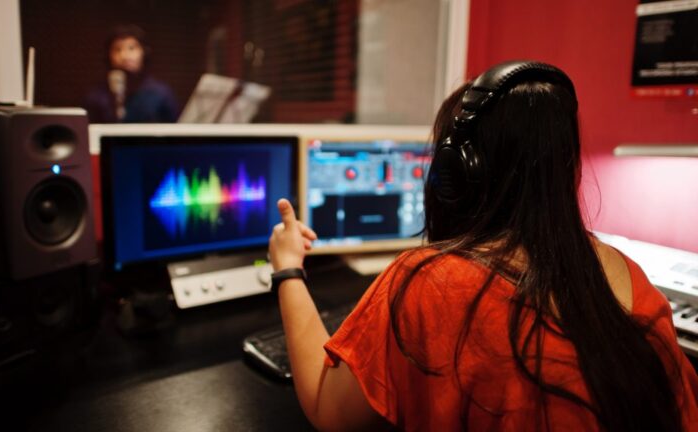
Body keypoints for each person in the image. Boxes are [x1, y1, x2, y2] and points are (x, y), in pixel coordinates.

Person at [267, 61, 698, 430]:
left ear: (457, 174)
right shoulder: (637, 285)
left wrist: (288, 268)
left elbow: (328, 409)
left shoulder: (428, 283)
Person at [83, 25, 180, 123]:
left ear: (144, 52)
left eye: (132, 48)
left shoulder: (161, 93)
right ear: (108, 55)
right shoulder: (96, 96)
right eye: (118, 49)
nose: (125, 56)